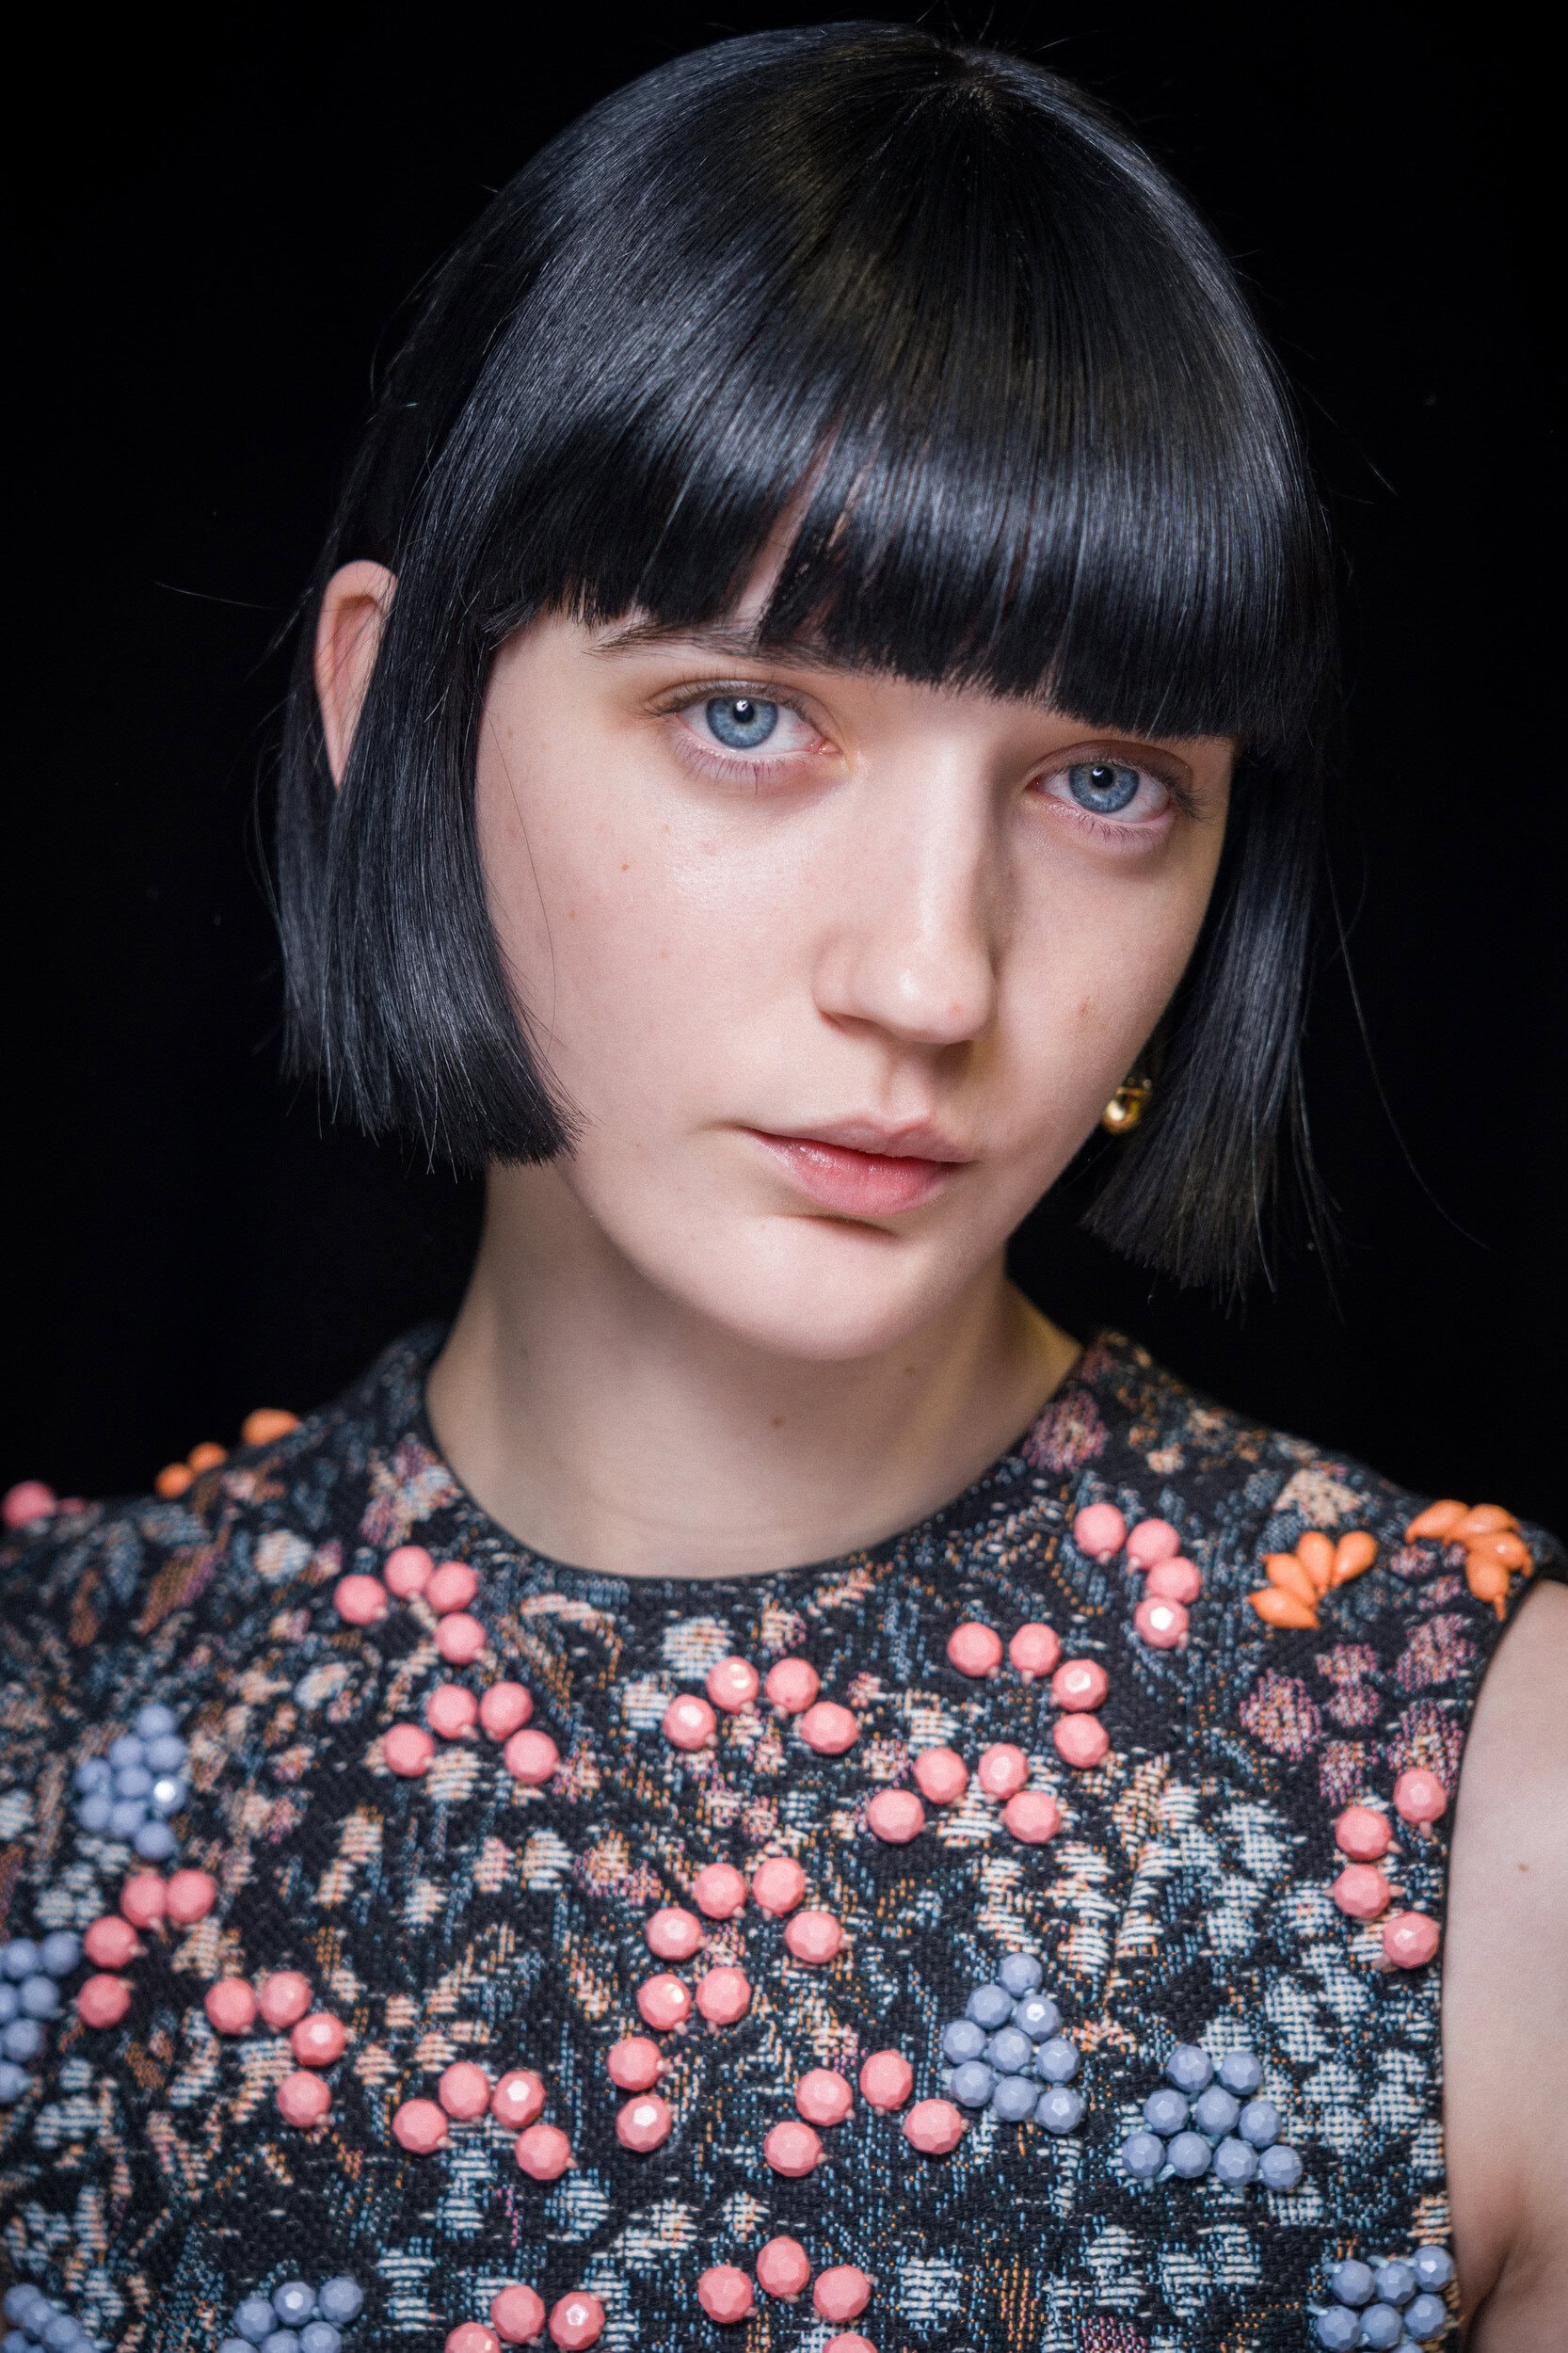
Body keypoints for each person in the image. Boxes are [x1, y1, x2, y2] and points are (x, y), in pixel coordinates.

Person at [1, 24, 1561, 2352]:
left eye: (1103, 781)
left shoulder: (1499, 1809)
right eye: (749, 715)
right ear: (391, 706)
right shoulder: (47, 1737)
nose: (930, 976)